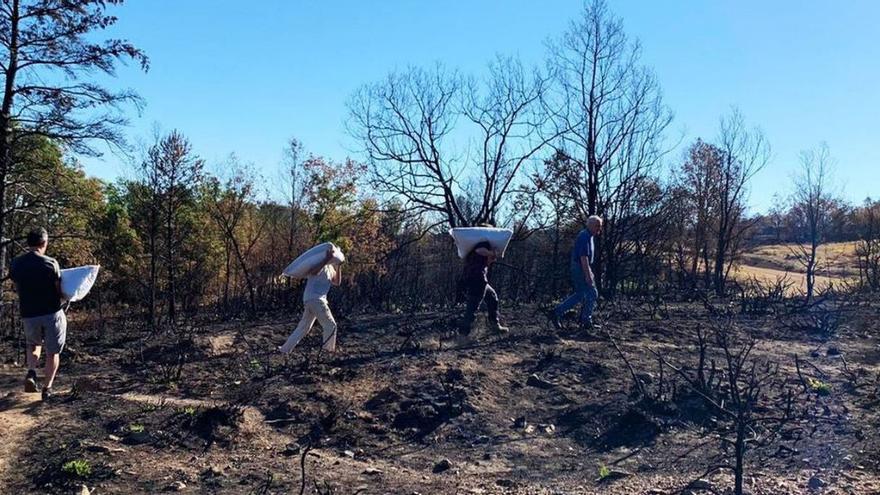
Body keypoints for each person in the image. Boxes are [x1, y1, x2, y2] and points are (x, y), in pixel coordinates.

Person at [10, 228, 67, 400]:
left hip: (28, 312)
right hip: (51, 312)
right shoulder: (51, 263)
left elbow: (15, 283)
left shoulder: (16, 263)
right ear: (44, 243)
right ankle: (47, 389)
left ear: (29, 243)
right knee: (52, 352)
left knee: (33, 345)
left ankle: (31, 372)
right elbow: (58, 289)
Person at [279, 244, 342, 354]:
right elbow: (313, 272)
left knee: (303, 327)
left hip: (311, 299)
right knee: (331, 325)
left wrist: (339, 266)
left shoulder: (331, 268)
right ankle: (328, 352)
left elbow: (337, 282)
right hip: (316, 299)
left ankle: (285, 349)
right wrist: (326, 259)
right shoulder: (319, 264)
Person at [552, 215, 603, 331]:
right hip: (579, 268)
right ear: (590, 225)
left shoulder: (588, 236)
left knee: (581, 294)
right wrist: (587, 274)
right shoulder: (584, 236)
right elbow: (583, 257)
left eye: (600, 226)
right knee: (591, 293)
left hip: (581, 267)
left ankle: (559, 313)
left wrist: (589, 272)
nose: (599, 229)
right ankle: (585, 321)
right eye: (597, 226)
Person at [459, 238, 509, 335]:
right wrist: (491, 253)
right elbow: (480, 250)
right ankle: (463, 335)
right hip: (477, 279)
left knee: (492, 297)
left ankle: (494, 325)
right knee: (472, 307)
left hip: (478, 279)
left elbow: (486, 262)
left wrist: (493, 255)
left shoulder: (474, 247)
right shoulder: (483, 243)